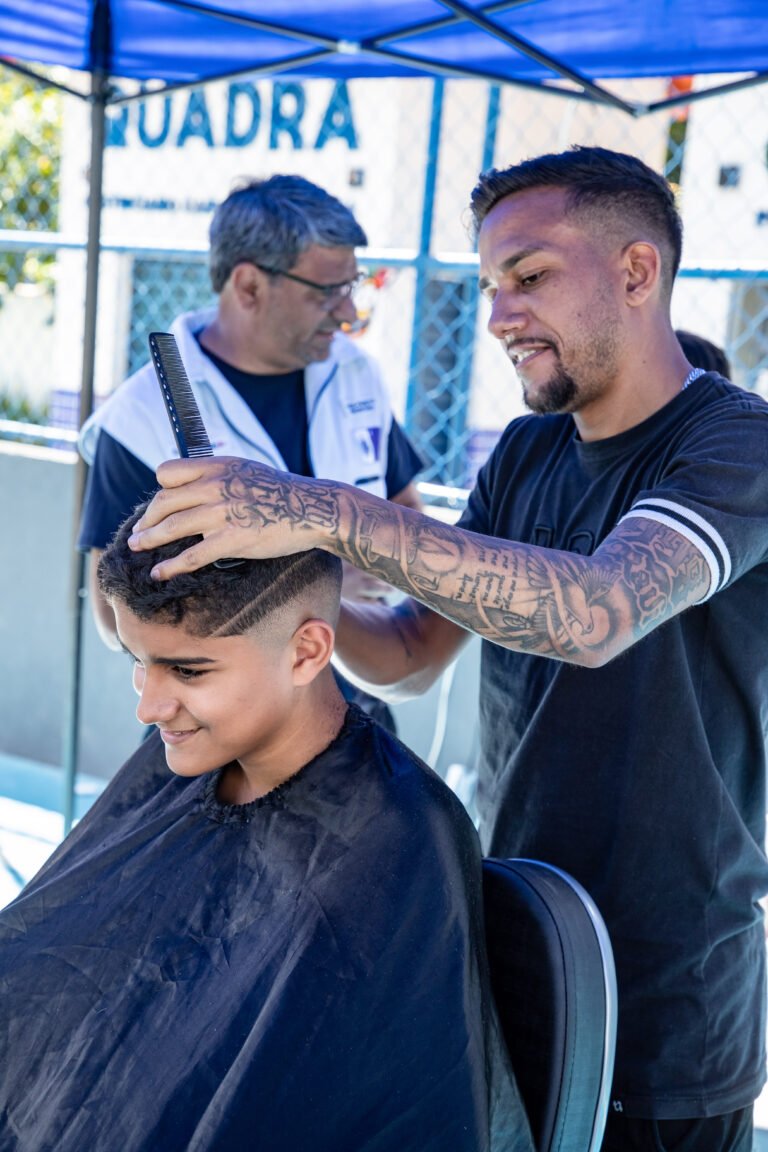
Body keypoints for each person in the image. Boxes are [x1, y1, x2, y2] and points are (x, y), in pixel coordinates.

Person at [127, 145, 768, 1152]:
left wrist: (321, 510)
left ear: (638, 272)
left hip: (668, 997)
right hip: (516, 926)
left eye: (530, 277)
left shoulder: (736, 445)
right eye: (489, 287)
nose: (500, 315)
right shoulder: (526, 451)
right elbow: (416, 653)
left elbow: (594, 614)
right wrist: (290, 600)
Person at [0, 503, 530, 1152]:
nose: (149, 706)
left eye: (189, 670)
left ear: (307, 651)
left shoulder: (387, 845)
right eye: (140, 661)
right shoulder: (182, 759)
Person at [78, 173, 424, 729]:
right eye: (325, 292)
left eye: (352, 285)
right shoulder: (142, 416)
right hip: (220, 731)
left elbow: (407, 515)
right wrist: (322, 588)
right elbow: (108, 612)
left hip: (358, 710)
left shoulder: (355, 372)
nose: (347, 312)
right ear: (248, 287)